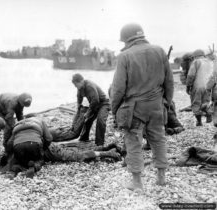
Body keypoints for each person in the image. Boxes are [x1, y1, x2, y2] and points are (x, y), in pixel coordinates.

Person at [110, 23, 174, 190]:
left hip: (134, 109)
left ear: (126, 39)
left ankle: (137, 182)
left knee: (133, 142)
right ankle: (161, 177)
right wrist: (167, 101)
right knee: (158, 139)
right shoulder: (159, 51)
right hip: (156, 106)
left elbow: (117, 88)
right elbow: (169, 81)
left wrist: (115, 109)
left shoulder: (124, 56)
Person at [5, 117, 123, 178]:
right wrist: (43, 148)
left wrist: (8, 157)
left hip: (20, 148)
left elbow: (9, 144)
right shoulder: (39, 122)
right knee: (75, 154)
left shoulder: (17, 126)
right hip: (40, 147)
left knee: (19, 161)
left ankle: (16, 170)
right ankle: (107, 151)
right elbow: (49, 138)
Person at [71, 73, 110, 146]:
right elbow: (79, 105)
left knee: (100, 121)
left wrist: (88, 113)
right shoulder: (79, 89)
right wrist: (74, 123)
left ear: (81, 81)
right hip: (95, 104)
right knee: (88, 120)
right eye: (75, 86)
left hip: (104, 103)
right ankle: (84, 138)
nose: (76, 87)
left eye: (76, 85)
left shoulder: (89, 86)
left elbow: (95, 100)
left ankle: (99, 143)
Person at [186, 49, 214, 126]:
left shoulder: (196, 62)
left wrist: (188, 86)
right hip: (208, 86)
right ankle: (208, 114)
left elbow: (191, 75)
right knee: (206, 102)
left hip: (198, 86)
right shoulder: (210, 62)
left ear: (195, 56)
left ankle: (199, 122)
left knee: (196, 104)